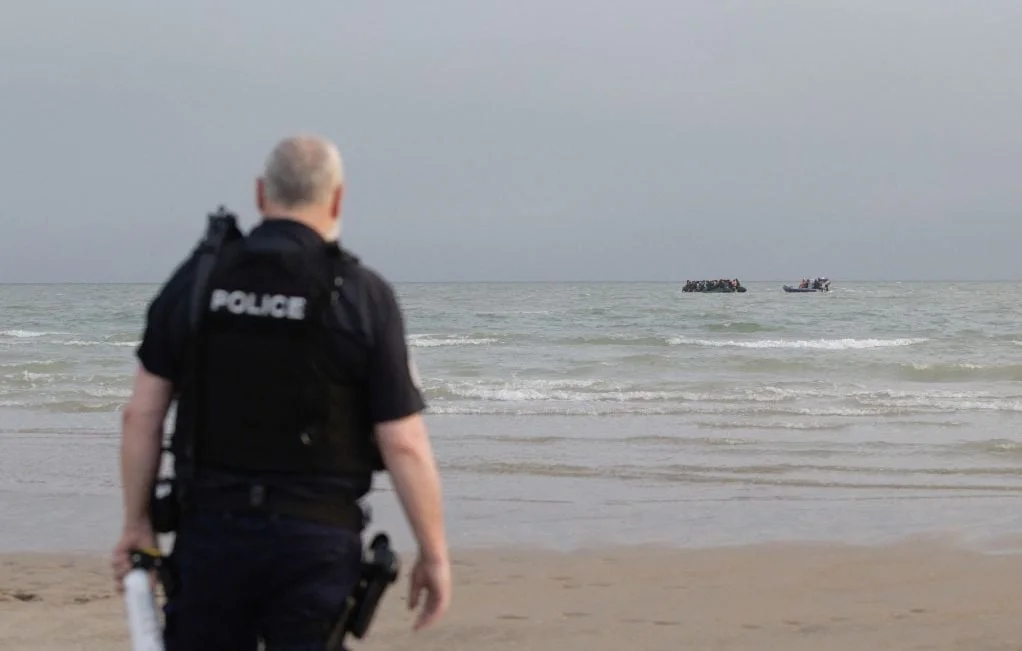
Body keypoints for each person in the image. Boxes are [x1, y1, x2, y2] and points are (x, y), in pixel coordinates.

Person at [111, 134, 451, 650]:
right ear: (337, 198)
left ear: (260, 194)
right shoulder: (361, 295)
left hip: (212, 535)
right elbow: (403, 442)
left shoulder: (199, 281)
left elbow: (141, 415)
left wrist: (136, 524)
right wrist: (434, 552)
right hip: (314, 543)